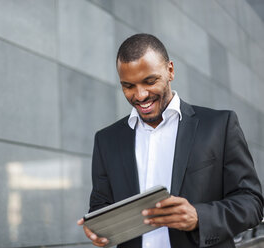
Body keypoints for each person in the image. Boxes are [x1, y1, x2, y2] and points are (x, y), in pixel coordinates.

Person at [77, 33, 263, 248]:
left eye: (150, 81)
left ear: (170, 70)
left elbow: (252, 203)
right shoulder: (106, 140)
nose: (140, 95)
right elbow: (101, 207)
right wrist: (99, 230)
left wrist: (199, 216)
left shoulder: (219, 125)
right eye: (128, 86)